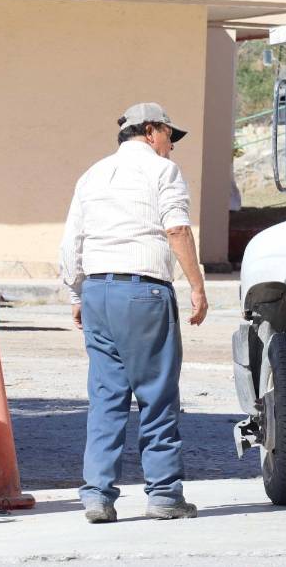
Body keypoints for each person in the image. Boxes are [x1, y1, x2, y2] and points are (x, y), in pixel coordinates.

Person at [59, 102, 209, 524]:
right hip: (142, 292)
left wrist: (76, 294)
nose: (171, 147)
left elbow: (72, 242)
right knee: (157, 396)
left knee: (106, 396)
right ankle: (164, 495)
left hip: (97, 292)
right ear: (149, 130)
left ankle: (98, 497)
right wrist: (197, 286)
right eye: (168, 136)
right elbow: (176, 228)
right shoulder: (162, 173)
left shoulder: (92, 174)